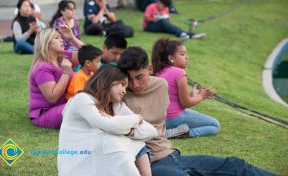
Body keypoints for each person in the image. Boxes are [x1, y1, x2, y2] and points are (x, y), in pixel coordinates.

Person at [117, 46, 277, 176]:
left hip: (172, 154)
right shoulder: (119, 94)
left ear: (150, 69)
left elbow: (177, 106)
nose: (134, 84)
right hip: (150, 164)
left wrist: (195, 96)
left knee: (236, 165)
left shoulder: (161, 85)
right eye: (129, 79)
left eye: (139, 77)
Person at [58, 65, 158, 176]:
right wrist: (137, 118)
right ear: (109, 81)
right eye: (122, 85)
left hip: (98, 157)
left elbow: (152, 131)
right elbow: (108, 125)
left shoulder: (116, 106)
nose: (124, 91)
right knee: (114, 140)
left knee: (137, 141)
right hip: (79, 162)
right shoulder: (82, 99)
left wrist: (129, 132)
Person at [151, 38, 220, 138]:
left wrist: (192, 96)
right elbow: (185, 103)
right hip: (174, 118)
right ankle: (186, 133)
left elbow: (174, 100)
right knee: (215, 125)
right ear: (171, 58)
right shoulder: (179, 73)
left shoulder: (158, 71)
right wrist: (201, 96)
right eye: (182, 54)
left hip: (160, 119)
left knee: (195, 115)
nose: (187, 57)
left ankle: (171, 130)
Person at [29, 26, 84, 129]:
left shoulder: (62, 56)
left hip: (66, 105)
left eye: (60, 37)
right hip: (46, 113)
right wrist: (66, 72)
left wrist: (72, 38)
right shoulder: (42, 67)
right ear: (46, 43)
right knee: (82, 106)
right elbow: (52, 97)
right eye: (56, 37)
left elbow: (90, 56)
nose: (61, 40)